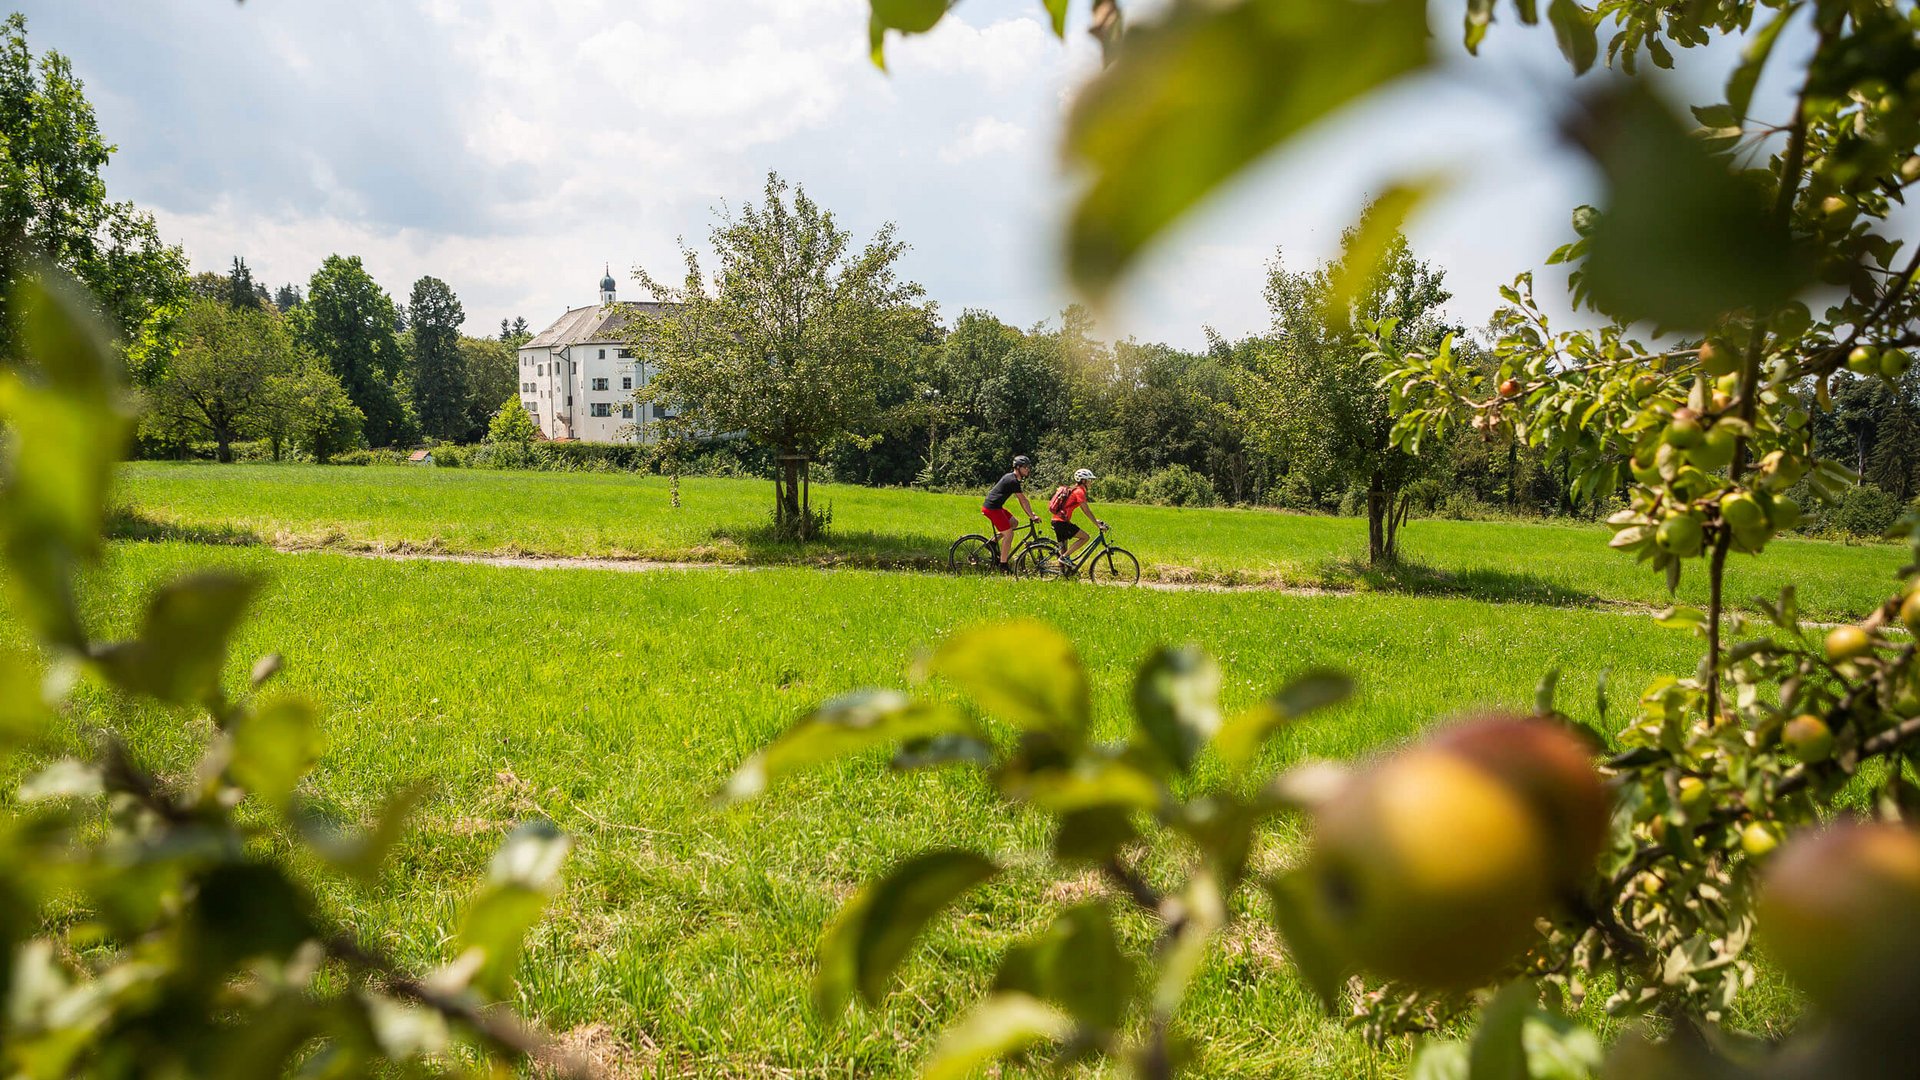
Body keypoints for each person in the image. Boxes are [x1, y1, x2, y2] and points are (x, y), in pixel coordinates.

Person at [981, 455, 1038, 571]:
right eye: (1025, 467)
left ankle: (992, 543)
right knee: (1009, 534)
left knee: (1014, 523)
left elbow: (1023, 500)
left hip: (996, 507)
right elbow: (1023, 500)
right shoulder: (1012, 480)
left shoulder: (1012, 478)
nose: (1028, 469)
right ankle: (1003, 564)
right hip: (992, 508)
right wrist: (1031, 516)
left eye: (1028, 467)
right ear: (1018, 468)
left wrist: (1031, 514)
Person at [1048, 468, 1106, 562]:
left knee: (1064, 549)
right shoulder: (1079, 492)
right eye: (1089, 480)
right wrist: (1097, 524)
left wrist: (1096, 520)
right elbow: (1086, 510)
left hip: (1058, 521)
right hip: (1061, 522)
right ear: (1083, 481)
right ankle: (1064, 558)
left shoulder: (1074, 490)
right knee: (1085, 537)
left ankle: (1063, 572)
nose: (1091, 482)